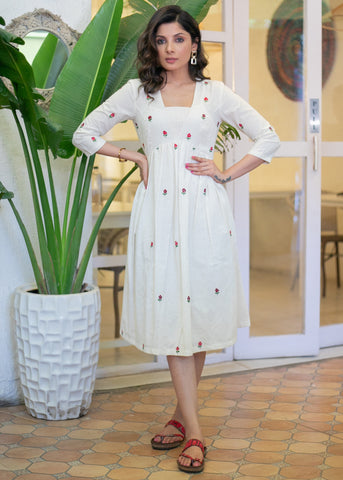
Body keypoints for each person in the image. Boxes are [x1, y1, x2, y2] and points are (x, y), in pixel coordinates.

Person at [73, 4, 280, 474]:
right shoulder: (137, 93)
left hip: (205, 212)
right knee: (173, 312)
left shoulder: (215, 93)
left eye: (179, 39)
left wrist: (226, 173)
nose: (170, 48)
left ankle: (181, 417)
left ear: (193, 45)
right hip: (159, 213)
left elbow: (268, 138)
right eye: (162, 40)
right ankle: (197, 431)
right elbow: (84, 134)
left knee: (199, 312)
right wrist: (135, 156)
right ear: (154, 46)